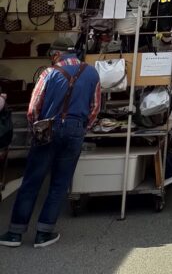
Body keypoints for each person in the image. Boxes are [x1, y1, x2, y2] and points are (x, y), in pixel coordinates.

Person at [0, 40, 101, 248]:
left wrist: (36, 127)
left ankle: (15, 233)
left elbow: (33, 108)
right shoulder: (92, 73)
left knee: (32, 181)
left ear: (56, 55)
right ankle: (43, 234)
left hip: (48, 128)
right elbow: (95, 107)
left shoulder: (49, 73)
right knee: (59, 183)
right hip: (75, 129)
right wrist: (83, 127)